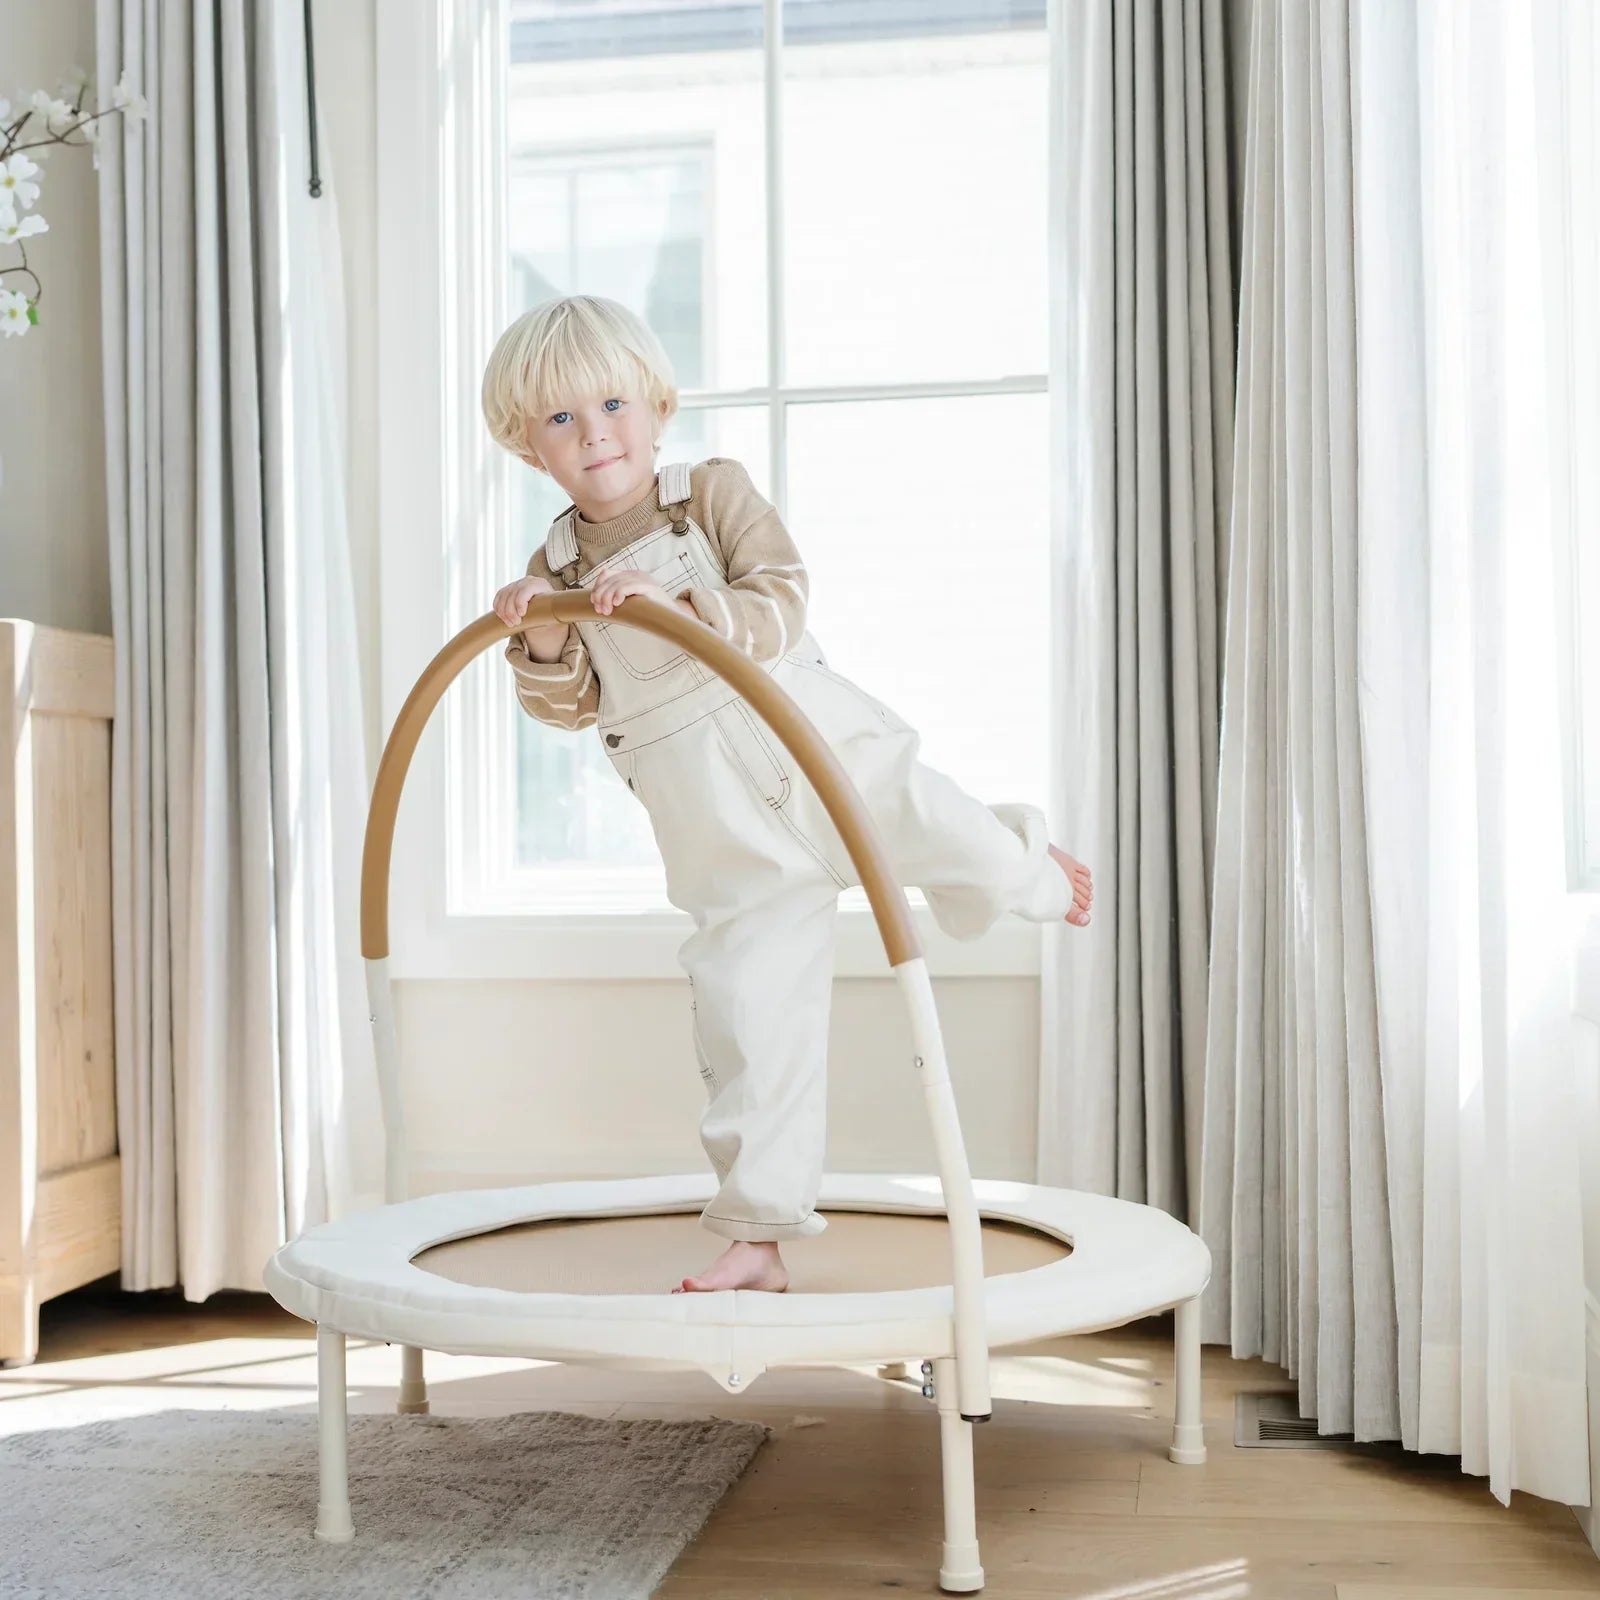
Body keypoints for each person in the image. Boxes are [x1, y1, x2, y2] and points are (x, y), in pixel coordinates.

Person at [483, 295, 1093, 1296]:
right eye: (561, 419)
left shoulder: (708, 495)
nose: (594, 434)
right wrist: (541, 633)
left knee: (962, 840)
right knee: (752, 1032)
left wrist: (689, 608)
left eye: (612, 404)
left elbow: (782, 594)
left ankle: (1030, 867)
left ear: (657, 405)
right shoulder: (552, 569)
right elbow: (569, 707)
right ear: (527, 445)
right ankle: (758, 1236)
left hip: (828, 761)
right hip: (727, 840)